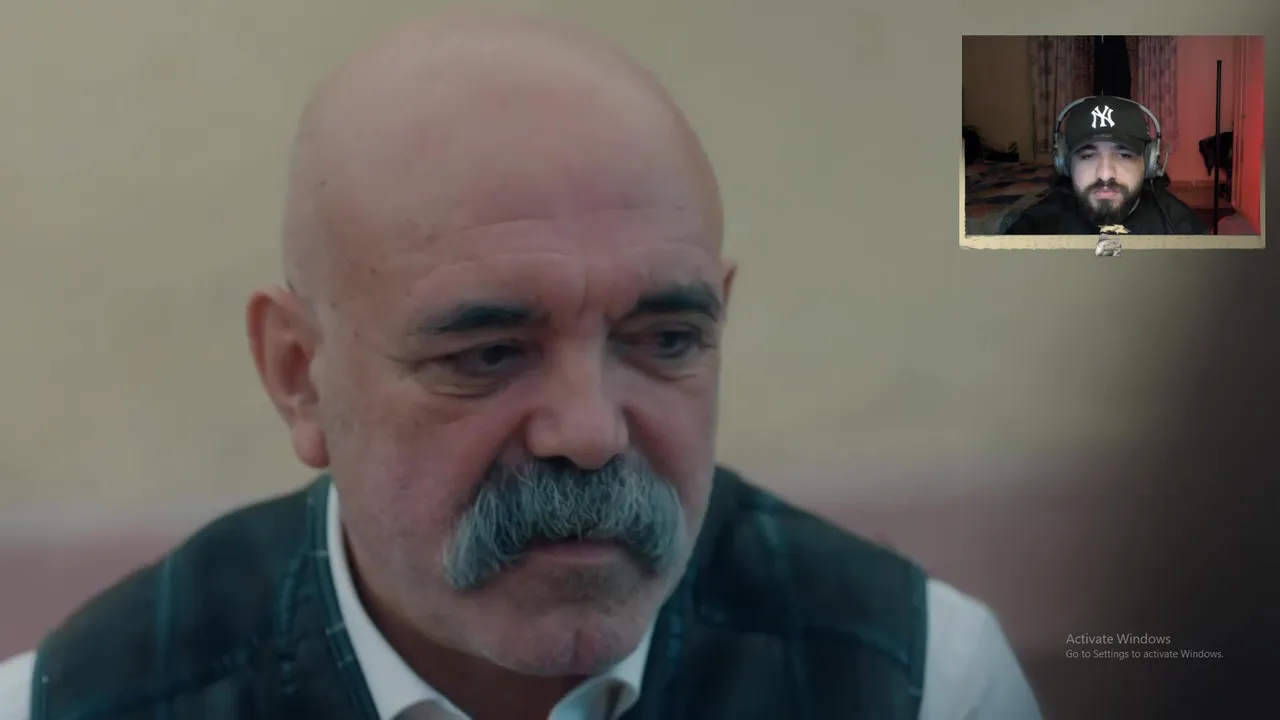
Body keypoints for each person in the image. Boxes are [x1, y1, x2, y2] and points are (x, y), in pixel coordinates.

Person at [0, 11, 1042, 720]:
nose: (588, 433)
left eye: (664, 341)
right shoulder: (77, 704)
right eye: (488, 353)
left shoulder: (919, 685)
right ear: (298, 374)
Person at [1005, 95, 1209, 235]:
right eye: (1088, 156)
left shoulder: (1183, 229)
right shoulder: (1032, 232)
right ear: (1064, 163)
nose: (1104, 174)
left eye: (1124, 155)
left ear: (1148, 162)